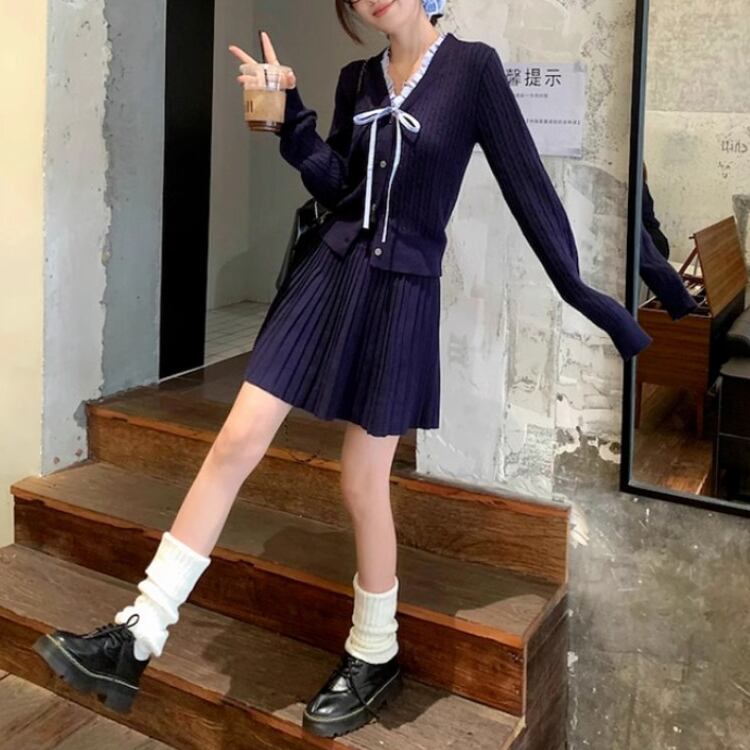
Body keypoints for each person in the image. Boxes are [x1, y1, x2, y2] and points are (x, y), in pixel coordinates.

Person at [32, 0, 656, 739]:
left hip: (403, 296)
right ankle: (138, 633)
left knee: (361, 481)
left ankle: (375, 650)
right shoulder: (358, 78)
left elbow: (532, 193)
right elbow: (338, 187)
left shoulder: (473, 70)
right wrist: (289, 117)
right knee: (236, 440)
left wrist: (597, 301)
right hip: (328, 274)